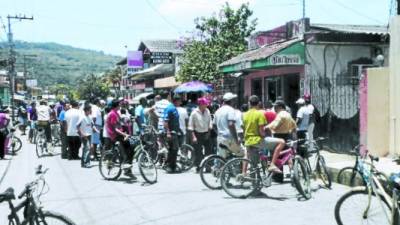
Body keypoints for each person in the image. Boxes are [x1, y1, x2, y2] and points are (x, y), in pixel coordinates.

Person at [243, 96, 283, 173]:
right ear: (258, 103)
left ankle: (250, 178)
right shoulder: (260, 114)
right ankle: (272, 165)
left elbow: (244, 128)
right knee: (282, 142)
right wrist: (265, 135)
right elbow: (261, 131)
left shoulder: (245, 114)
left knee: (253, 163)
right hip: (257, 140)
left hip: (248, 141)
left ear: (249, 103)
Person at [106, 99, 135, 178]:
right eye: (119, 104)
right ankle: (126, 165)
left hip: (118, 134)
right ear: (117, 106)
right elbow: (115, 129)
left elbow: (120, 125)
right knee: (129, 147)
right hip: (115, 135)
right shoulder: (113, 114)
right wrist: (124, 134)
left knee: (131, 147)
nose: (121, 106)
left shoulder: (115, 113)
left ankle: (127, 167)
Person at [213, 93, 243, 159]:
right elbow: (231, 124)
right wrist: (236, 139)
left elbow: (214, 125)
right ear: (231, 101)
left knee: (222, 159)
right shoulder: (230, 110)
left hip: (220, 138)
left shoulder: (218, 111)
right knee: (242, 154)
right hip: (229, 139)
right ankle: (239, 169)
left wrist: (219, 132)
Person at [188, 97, 213, 172]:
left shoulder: (207, 111)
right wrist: (193, 137)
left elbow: (210, 122)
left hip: (206, 133)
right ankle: (199, 166)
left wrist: (208, 132)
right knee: (198, 151)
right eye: (205, 104)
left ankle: (208, 166)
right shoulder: (194, 113)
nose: (206, 105)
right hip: (197, 134)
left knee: (208, 151)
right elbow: (190, 126)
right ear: (200, 104)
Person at [163, 95, 182, 173]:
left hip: (175, 132)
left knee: (173, 150)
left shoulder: (174, 108)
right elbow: (165, 121)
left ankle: (169, 164)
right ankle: (171, 166)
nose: (180, 103)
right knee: (174, 149)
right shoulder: (170, 108)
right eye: (179, 101)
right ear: (176, 101)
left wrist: (180, 130)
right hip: (171, 133)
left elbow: (176, 121)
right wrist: (168, 132)